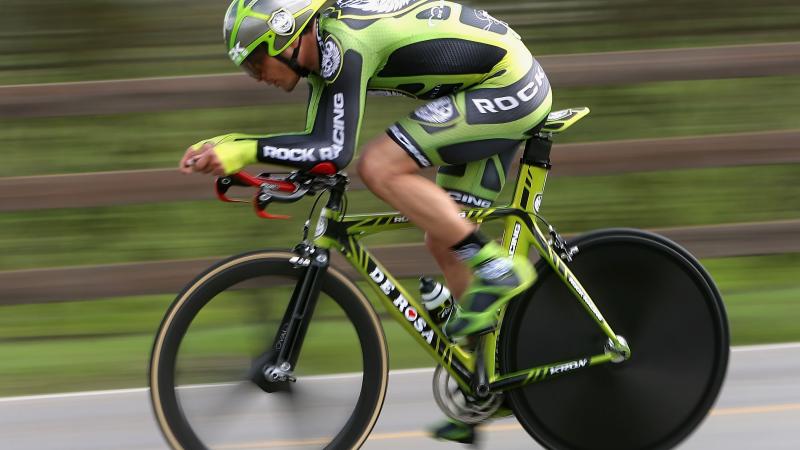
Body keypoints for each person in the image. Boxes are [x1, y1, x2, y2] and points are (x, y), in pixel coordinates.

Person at [180, 0, 552, 444]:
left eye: (258, 61)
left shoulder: (343, 45)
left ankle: (498, 270)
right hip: (481, 88)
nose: (258, 75)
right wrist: (240, 155)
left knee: (379, 166)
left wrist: (244, 148)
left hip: (507, 84)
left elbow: (334, 152)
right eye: (249, 69)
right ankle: (484, 387)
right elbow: (317, 148)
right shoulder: (324, 60)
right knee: (444, 235)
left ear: (287, 36)